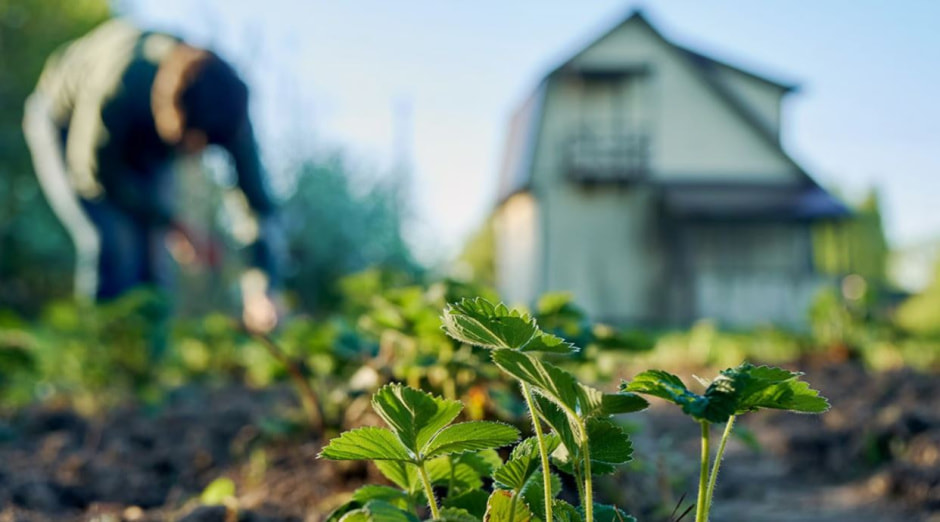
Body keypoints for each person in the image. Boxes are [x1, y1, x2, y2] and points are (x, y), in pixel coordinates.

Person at [23, 19, 282, 337]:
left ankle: (147, 366)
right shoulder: (119, 83)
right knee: (111, 240)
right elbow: (93, 174)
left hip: (142, 143)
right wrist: (170, 223)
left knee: (154, 254)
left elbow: (255, 203)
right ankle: (102, 359)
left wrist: (260, 285)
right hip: (66, 124)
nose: (195, 155)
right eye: (190, 144)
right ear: (171, 116)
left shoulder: (226, 109)